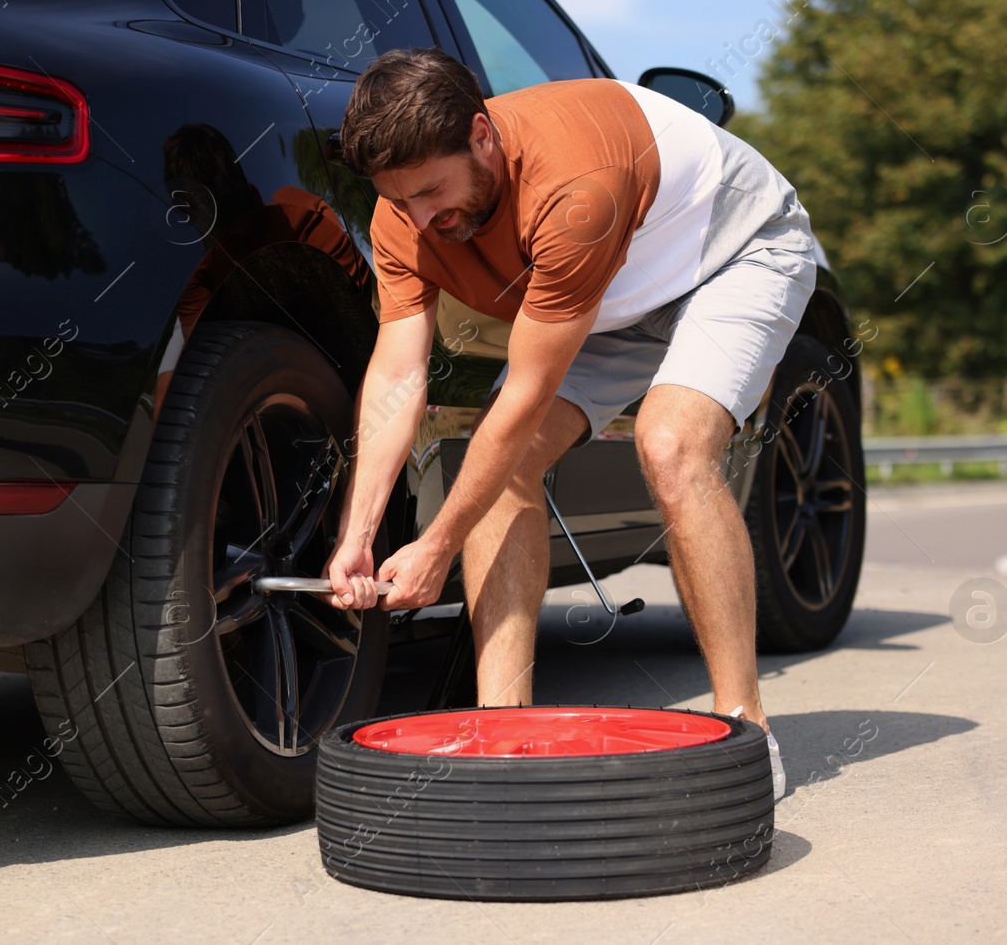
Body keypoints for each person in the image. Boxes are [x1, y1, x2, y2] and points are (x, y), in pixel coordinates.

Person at [325, 48, 815, 800]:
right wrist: (357, 535)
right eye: (400, 200)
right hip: (614, 296)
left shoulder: (574, 187)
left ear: (482, 136)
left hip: (736, 254)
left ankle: (747, 734)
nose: (423, 219)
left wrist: (436, 545)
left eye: (431, 190)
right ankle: (503, 739)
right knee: (499, 471)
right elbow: (396, 376)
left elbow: (522, 400)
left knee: (670, 443)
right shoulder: (404, 215)